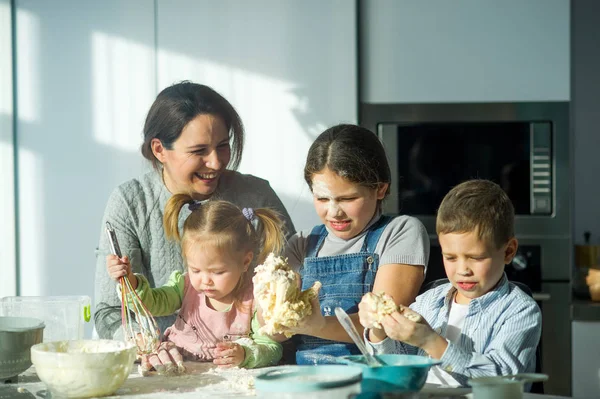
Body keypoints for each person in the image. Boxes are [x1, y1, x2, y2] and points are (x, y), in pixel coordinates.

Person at [95, 81, 295, 343]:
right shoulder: (131, 203)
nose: (216, 162)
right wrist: (150, 347)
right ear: (159, 150)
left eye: (223, 145)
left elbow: (294, 283)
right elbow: (109, 311)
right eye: (199, 151)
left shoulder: (257, 195)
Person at [358, 179, 542, 387]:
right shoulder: (429, 301)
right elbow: (395, 366)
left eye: (476, 258)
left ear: (508, 251)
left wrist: (431, 341)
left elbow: (502, 381)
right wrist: (379, 330)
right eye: (451, 258)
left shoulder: (520, 311)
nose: (463, 270)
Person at [281, 124, 430, 364]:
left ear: (380, 188)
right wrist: (269, 315)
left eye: (348, 198)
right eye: (322, 198)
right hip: (307, 376)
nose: (334, 212)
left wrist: (315, 324)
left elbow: (383, 323)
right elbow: (277, 332)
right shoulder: (301, 243)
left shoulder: (400, 232)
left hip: (373, 374)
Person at [107, 194, 285, 370]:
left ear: (245, 262)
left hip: (226, 383)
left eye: (217, 272)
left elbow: (271, 348)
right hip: (176, 368)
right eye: (195, 270)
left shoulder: (255, 298)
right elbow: (152, 303)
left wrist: (245, 354)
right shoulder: (185, 285)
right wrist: (130, 281)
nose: (205, 280)